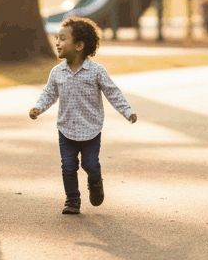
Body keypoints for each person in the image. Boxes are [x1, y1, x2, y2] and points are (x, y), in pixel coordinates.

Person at [29, 17, 137, 215]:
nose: (57, 43)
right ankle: (72, 200)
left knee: (90, 164)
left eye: (62, 39)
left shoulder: (96, 71)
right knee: (68, 167)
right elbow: (49, 94)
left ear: (79, 45)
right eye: (57, 38)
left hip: (91, 129)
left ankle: (95, 183)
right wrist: (38, 108)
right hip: (66, 129)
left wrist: (128, 112)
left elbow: (113, 93)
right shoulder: (57, 72)